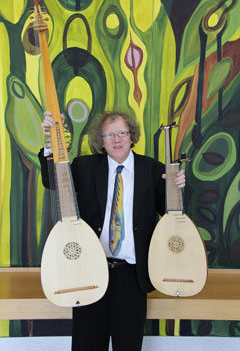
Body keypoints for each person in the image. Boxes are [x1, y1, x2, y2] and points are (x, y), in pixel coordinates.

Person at [39, 110, 185, 351]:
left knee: (128, 346)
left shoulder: (152, 169)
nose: (116, 139)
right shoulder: (84, 166)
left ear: (131, 136)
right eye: (109, 135)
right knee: (87, 345)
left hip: (132, 278)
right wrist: (49, 143)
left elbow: (171, 215)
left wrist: (177, 188)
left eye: (121, 133)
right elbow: (52, 179)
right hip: (88, 273)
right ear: (101, 141)